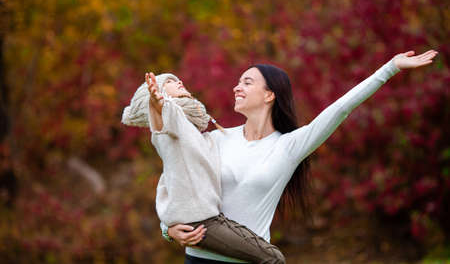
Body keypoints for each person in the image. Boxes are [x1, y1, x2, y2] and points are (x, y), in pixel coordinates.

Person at [160, 50, 439, 263]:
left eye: (247, 82)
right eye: (237, 82)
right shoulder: (217, 138)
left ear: (270, 95)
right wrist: (167, 228)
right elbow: (174, 180)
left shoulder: (290, 146)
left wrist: (389, 69)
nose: (236, 87)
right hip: (199, 258)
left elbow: (341, 108)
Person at [121, 72, 285, 264]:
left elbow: (171, 182)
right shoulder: (170, 127)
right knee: (273, 259)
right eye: (170, 82)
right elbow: (162, 125)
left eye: (177, 79)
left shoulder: (199, 134)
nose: (179, 81)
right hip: (202, 222)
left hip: (213, 219)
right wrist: (158, 105)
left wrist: (168, 229)